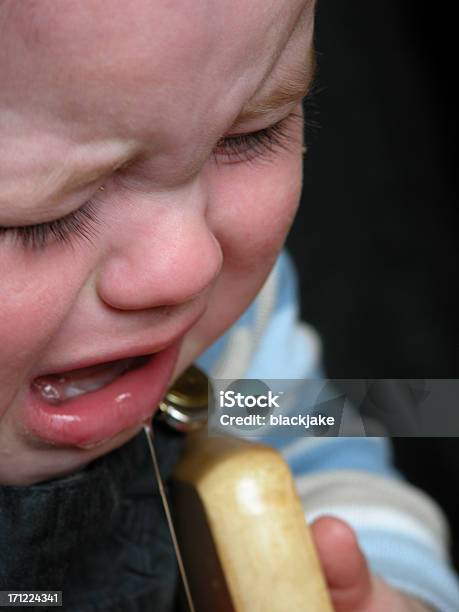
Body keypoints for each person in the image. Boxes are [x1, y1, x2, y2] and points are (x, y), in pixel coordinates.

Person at [0, 0, 457, 610]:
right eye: (47, 214)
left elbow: (319, 448)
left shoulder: (239, 335)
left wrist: (388, 588)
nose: (189, 267)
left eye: (250, 134)